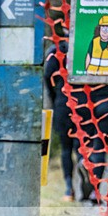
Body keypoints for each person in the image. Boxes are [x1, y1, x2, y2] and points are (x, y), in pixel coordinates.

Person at [44, 37, 79, 201]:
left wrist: (55, 98)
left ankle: (68, 188)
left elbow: (47, 77)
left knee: (66, 148)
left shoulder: (55, 51)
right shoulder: (84, 46)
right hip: (83, 104)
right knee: (82, 146)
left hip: (62, 102)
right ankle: (88, 183)